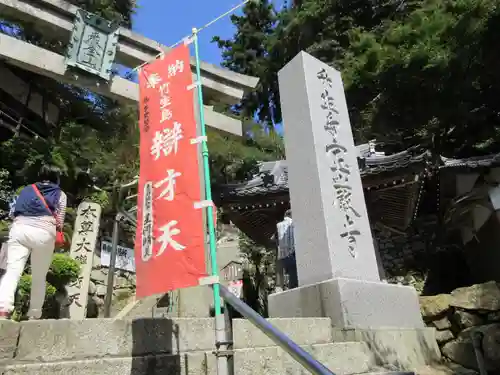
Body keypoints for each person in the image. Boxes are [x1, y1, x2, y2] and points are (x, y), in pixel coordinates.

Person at [0, 165, 67, 319]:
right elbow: (60, 222)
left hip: (19, 230)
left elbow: (13, 211)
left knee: (12, 271)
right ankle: (34, 314)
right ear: (56, 177)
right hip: (44, 234)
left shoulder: (26, 190)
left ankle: (3, 309)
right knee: (39, 276)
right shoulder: (60, 194)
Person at [274, 209, 298, 290]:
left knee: (290, 273)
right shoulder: (293, 222)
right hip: (293, 252)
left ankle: (286, 287)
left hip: (283, 256)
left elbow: (275, 239)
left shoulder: (278, 225)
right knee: (294, 274)